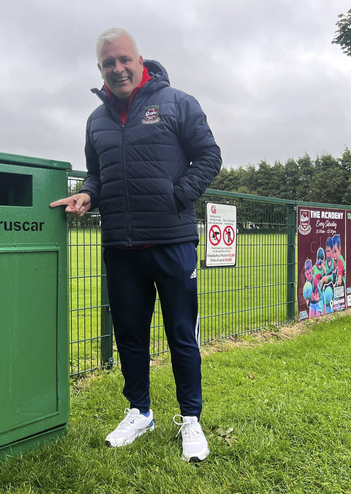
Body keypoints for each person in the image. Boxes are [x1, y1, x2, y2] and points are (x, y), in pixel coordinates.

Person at [50, 28, 222, 463]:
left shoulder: (178, 103)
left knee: (181, 334)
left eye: (124, 60)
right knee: (129, 335)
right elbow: (97, 175)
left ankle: (190, 419)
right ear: (100, 69)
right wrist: (88, 194)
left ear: (139, 59)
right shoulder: (96, 120)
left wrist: (178, 196)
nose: (118, 69)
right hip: (121, 245)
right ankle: (140, 412)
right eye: (109, 63)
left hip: (172, 240)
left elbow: (209, 156)